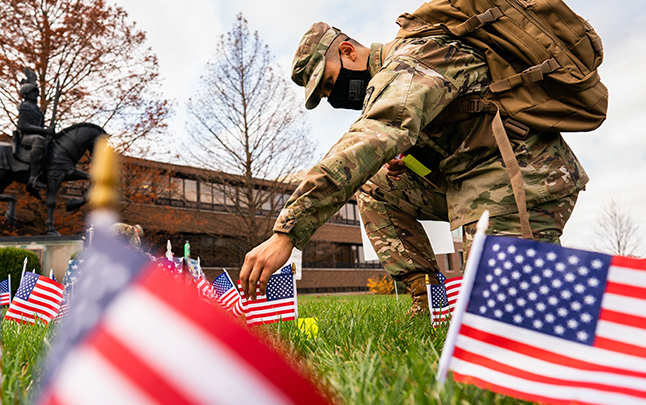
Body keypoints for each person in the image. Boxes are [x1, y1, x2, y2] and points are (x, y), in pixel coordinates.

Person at [239, 21, 588, 315]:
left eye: (329, 82)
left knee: (506, 316)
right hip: (471, 182)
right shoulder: (391, 81)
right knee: (374, 187)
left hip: (522, 176)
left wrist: (286, 231)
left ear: (347, 51)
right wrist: (414, 161)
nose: (333, 97)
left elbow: (373, 136)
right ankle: (430, 300)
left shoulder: (412, 58)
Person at [16, 68, 54, 200]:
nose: (36, 94)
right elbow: (23, 125)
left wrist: (49, 133)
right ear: (26, 94)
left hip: (36, 136)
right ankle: (32, 178)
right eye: (33, 92)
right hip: (25, 138)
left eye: (36, 92)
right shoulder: (24, 106)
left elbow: (40, 127)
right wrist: (44, 132)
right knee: (39, 140)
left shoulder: (38, 110)